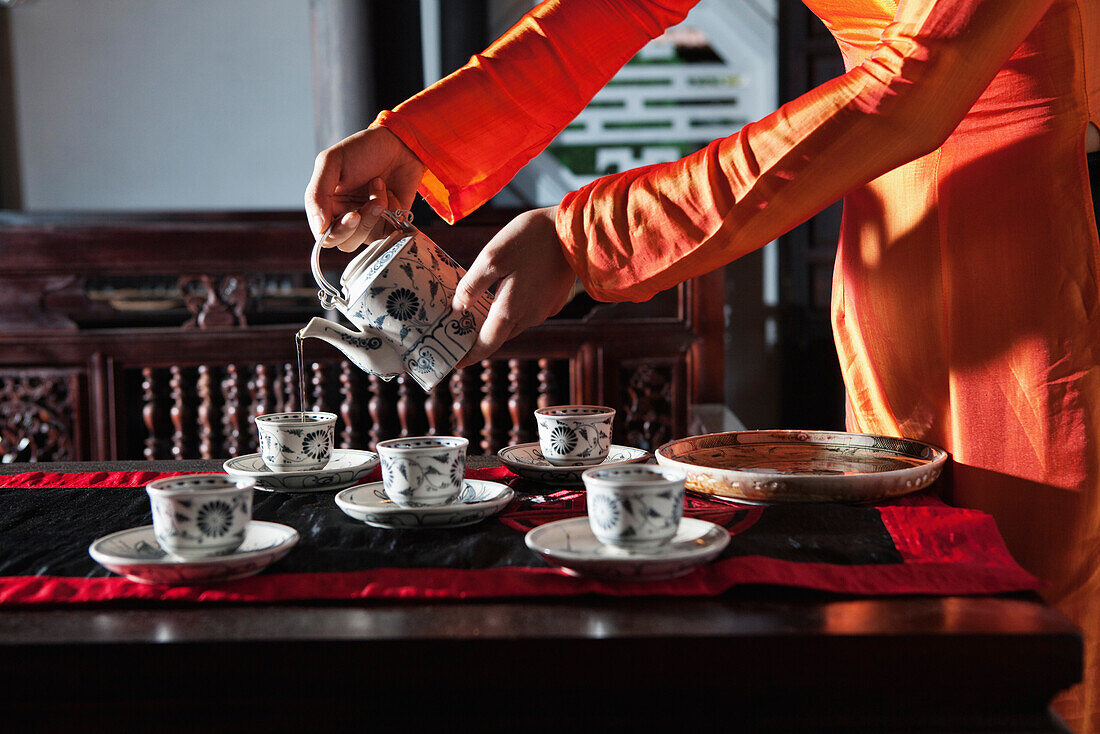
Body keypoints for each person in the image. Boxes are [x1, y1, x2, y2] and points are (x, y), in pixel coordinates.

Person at [305, 1, 1100, 728]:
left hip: (1036, 243)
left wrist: (590, 242)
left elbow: (916, 87)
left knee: (1029, 623)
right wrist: (420, 138)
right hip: (890, 240)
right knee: (909, 595)